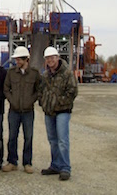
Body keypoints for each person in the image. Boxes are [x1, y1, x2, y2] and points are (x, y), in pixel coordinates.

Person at [39, 46, 78, 181]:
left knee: (62, 140)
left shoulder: (67, 73)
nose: (50, 60)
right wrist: (43, 102)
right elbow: (40, 91)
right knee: (53, 140)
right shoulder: (45, 75)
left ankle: (65, 168)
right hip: (49, 111)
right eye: (48, 58)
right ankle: (55, 165)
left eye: (52, 57)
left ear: (58, 58)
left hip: (62, 111)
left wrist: (59, 103)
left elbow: (73, 91)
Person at [2, 46, 40, 174]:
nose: (17, 62)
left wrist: (31, 100)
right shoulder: (11, 73)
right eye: (16, 59)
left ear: (26, 59)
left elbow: (38, 90)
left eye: (19, 59)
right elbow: (6, 88)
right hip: (14, 111)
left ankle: (27, 163)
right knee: (12, 136)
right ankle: (12, 162)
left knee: (28, 137)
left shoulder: (34, 73)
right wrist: (12, 100)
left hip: (28, 111)